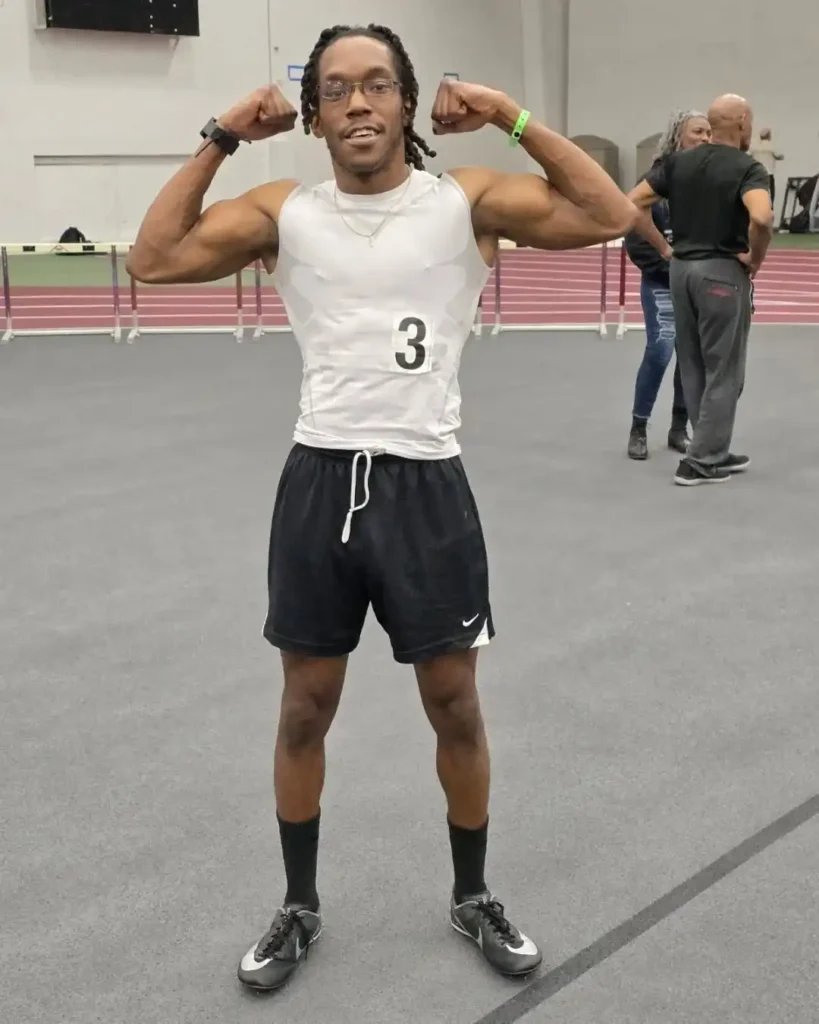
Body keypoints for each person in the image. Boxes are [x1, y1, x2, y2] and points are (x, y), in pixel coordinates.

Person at [127, 22, 636, 993]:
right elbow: (152, 259)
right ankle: (299, 905)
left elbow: (606, 211)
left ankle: (473, 894)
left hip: (427, 487)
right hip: (319, 484)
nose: (357, 103)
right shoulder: (284, 211)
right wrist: (222, 135)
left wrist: (509, 114)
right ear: (312, 115)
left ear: (406, 101)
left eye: (375, 85)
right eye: (335, 89)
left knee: (455, 704)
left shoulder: (464, 202)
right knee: (304, 709)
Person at [628, 94, 773, 486]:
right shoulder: (748, 168)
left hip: (681, 272)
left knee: (692, 366)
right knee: (725, 370)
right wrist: (755, 258)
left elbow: (632, 203)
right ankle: (700, 460)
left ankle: (713, 449)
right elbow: (762, 217)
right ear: (742, 122)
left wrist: (664, 248)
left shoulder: (676, 163)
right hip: (721, 273)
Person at [624, 110, 712, 461]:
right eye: (697, 131)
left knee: (691, 356)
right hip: (662, 282)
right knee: (660, 351)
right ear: (678, 136)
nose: (705, 138)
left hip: (698, 284)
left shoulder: (712, 180)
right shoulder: (656, 178)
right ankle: (638, 427)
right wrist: (667, 262)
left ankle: (679, 428)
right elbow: (634, 228)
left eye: (708, 132)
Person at [750, 128, 783, 210]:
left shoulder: (755, 147)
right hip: (768, 173)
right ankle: (770, 208)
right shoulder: (771, 146)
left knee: (757, 192)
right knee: (770, 193)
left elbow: (748, 155)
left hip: (757, 174)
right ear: (768, 136)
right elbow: (779, 156)